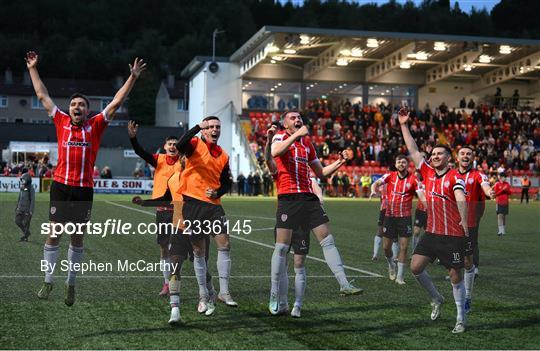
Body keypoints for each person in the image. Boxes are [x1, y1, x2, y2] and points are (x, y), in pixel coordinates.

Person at [26, 50, 146, 306]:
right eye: (73, 104)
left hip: (83, 190)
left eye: (81, 105)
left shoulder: (96, 124)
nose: (76, 107)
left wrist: (132, 77)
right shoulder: (60, 121)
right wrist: (32, 68)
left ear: (88, 110)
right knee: (54, 234)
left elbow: (115, 101)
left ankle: (70, 283)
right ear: (69, 109)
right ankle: (48, 281)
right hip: (61, 187)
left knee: (77, 238)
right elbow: (41, 95)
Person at [268, 111, 362, 316]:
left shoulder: (307, 144)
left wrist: (340, 162)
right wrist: (296, 134)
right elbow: (275, 152)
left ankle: (344, 283)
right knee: (282, 248)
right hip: (288, 198)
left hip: (308, 198)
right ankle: (275, 292)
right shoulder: (281, 137)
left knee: (327, 240)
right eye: (292, 118)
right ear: (285, 123)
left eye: (299, 117)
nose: (297, 119)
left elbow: (320, 173)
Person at [399, 107, 469, 334]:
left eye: (440, 154)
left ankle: (460, 318)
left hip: (453, 235)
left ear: (449, 158)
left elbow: (460, 197)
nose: (435, 156)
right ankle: (437, 298)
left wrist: (464, 220)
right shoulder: (428, 172)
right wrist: (403, 125)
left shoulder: (455, 177)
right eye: (434, 154)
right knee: (415, 267)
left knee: (455, 276)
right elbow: (413, 149)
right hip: (432, 233)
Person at [132, 169, 215, 324]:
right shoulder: (174, 178)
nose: (184, 158)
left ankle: (210, 293)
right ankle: (174, 310)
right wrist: (145, 203)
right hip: (178, 229)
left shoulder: (201, 177)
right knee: (175, 266)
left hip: (197, 229)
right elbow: (166, 199)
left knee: (203, 270)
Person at [175, 116, 236, 316]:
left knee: (225, 244)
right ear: (204, 130)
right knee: (198, 251)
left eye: (218, 126)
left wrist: (218, 192)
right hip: (192, 205)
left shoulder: (224, 155)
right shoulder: (194, 145)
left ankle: (224, 292)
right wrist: (195, 128)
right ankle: (203, 295)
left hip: (214, 207)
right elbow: (180, 144)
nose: (214, 129)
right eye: (210, 127)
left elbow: (227, 182)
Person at [264, 123, 316, 318]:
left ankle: (297, 305)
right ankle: (278, 298)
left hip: (303, 215)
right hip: (286, 214)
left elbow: (318, 179)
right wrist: (269, 140)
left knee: (299, 262)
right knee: (282, 257)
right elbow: (270, 158)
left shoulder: (304, 172)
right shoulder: (278, 167)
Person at [127, 121, 181, 296]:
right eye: (170, 144)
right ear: (165, 147)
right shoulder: (159, 160)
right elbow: (140, 152)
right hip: (162, 211)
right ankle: (166, 283)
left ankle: (178, 280)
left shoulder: (185, 162)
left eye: (175, 144)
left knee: (178, 248)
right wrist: (133, 138)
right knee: (164, 247)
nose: (172, 146)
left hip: (180, 209)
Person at [455, 146, 494, 313]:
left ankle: (468, 297)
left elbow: (485, 185)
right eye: (462, 153)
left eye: (469, 154)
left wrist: (489, 191)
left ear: (473, 158)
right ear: (457, 158)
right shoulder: (451, 174)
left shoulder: (478, 175)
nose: (465, 156)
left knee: (466, 261)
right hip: (450, 222)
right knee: (454, 263)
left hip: (470, 223)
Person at [370, 155, 418, 284]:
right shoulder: (390, 176)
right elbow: (377, 182)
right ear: (395, 164)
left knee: (404, 248)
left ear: (407, 165)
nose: (401, 164)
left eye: (403, 162)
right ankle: (391, 264)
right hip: (390, 216)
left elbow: (422, 193)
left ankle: (400, 277)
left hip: (405, 217)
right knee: (386, 248)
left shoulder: (413, 179)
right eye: (399, 162)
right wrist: (374, 190)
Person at [15, 173, 35, 242]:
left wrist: (31, 210)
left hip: (27, 210)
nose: (22, 181)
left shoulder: (31, 189)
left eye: (23, 180)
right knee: (17, 221)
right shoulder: (22, 187)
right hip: (20, 208)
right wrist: (17, 206)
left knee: (26, 223)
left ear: (27, 180)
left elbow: (32, 200)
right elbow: (19, 197)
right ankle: (27, 233)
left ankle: (25, 237)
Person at [370, 182, 387, 261]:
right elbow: (381, 197)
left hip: (395, 210)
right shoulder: (383, 184)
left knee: (393, 233)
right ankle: (375, 254)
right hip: (384, 209)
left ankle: (394, 257)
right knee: (380, 231)